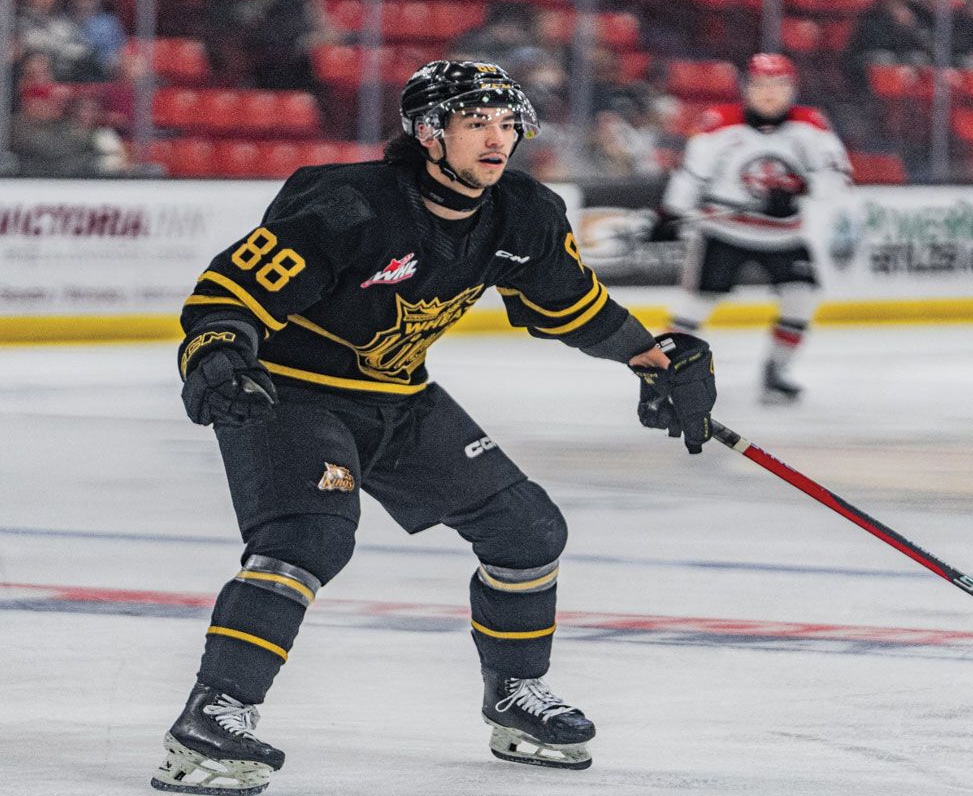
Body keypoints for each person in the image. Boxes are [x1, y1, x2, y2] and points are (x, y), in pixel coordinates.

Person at [150, 60, 716, 794]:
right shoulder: (347, 204)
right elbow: (231, 292)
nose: (498, 138)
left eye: (508, 123)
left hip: (400, 396)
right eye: (476, 121)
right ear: (427, 131)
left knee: (527, 530)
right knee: (307, 538)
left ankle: (515, 700)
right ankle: (213, 714)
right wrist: (219, 353)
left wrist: (651, 357)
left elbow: (575, 306)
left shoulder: (523, 213)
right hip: (293, 395)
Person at [651, 53, 852, 402]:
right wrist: (672, 213)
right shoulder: (720, 124)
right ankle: (658, 372)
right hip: (725, 232)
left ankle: (776, 371)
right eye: (761, 86)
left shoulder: (812, 125)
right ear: (748, 89)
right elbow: (691, 175)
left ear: (792, 90)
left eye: (779, 86)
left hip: (784, 235)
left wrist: (800, 190)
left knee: (801, 299)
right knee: (693, 308)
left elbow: (838, 175)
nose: (770, 94)